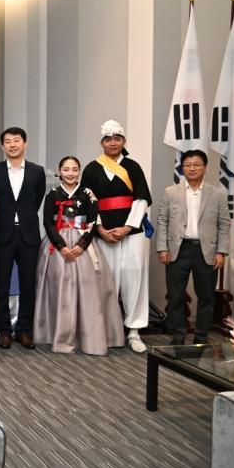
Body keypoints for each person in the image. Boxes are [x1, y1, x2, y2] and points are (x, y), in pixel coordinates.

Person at [33, 156, 124, 355]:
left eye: (74, 169)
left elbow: (92, 221)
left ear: (79, 171)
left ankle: (87, 335)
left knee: (89, 287)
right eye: (66, 169)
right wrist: (62, 247)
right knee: (58, 286)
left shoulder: (88, 194)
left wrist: (82, 245)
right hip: (58, 244)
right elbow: (48, 222)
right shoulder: (52, 194)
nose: (70, 173)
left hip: (83, 242)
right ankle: (57, 333)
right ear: (59, 171)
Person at [81, 120, 153, 353]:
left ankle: (134, 331)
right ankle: (107, 329)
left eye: (117, 139)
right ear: (101, 142)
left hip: (132, 233)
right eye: (108, 139)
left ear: (124, 141)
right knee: (107, 281)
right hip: (105, 233)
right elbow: (88, 203)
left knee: (135, 278)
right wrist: (100, 229)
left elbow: (142, 199)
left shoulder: (132, 166)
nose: (113, 143)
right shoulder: (92, 169)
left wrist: (128, 227)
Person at [156, 149, 229, 345]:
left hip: (206, 251)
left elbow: (224, 224)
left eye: (197, 164)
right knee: (175, 296)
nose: (192, 168)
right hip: (178, 250)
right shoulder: (171, 192)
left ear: (205, 168)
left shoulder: (218, 194)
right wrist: (162, 248)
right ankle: (178, 336)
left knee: (206, 297)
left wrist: (221, 252)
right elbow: (162, 220)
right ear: (182, 168)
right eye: (188, 165)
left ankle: (201, 338)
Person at [0, 127, 46, 350]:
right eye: (8, 141)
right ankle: (4, 331)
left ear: (25, 143)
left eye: (16, 140)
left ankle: (24, 331)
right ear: (2, 146)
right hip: (2, 234)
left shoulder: (37, 171)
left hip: (28, 234)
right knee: (1, 283)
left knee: (28, 283)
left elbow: (37, 199)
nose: (12, 145)